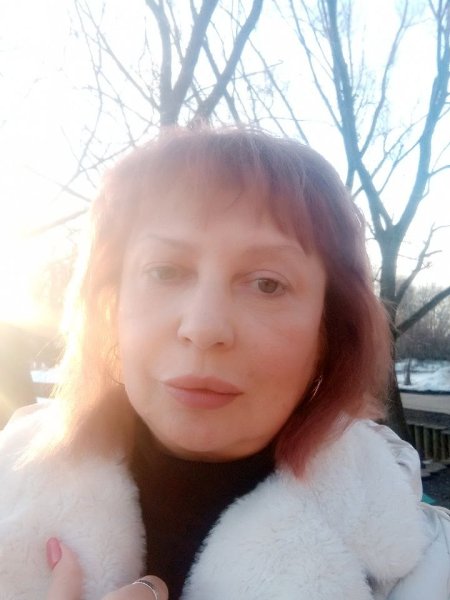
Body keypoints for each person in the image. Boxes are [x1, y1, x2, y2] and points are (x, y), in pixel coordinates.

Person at [0, 128, 448, 600]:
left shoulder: (431, 568)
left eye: (267, 284)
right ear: (111, 309)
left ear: (329, 331)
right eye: (165, 271)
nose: (203, 326)